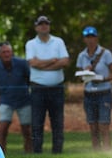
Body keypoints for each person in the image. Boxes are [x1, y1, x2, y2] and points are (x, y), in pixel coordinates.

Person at [25, 15, 70, 153]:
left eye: (46, 24)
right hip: (38, 89)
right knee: (37, 122)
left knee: (57, 122)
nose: (44, 26)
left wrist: (42, 64)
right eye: (41, 24)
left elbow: (65, 62)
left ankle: (57, 152)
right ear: (36, 27)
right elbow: (33, 63)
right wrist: (53, 61)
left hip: (57, 88)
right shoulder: (31, 44)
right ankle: (37, 152)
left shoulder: (58, 42)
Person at [76, 26, 112, 150]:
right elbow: (79, 78)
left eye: (92, 37)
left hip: (104, 93)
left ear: (97, 38)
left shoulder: (106, 53)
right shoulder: (81, 56)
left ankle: (107, 152)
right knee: (93, 127)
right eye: (87, 37)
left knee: (103, 126)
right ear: (84, 39)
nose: (90, 40)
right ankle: (96, 153)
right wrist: (85, 73)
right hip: (89, 94)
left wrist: (101, 79)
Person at [0, 42, 32, 154]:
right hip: (6, 100)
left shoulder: (22, 63)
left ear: (12, 52)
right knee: (3, 128)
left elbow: (29, 79)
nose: (6, 54)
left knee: (26, 129)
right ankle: (1, 153)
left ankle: (29, 152)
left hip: (24, 100)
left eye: (8, 51)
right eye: (4, 52)